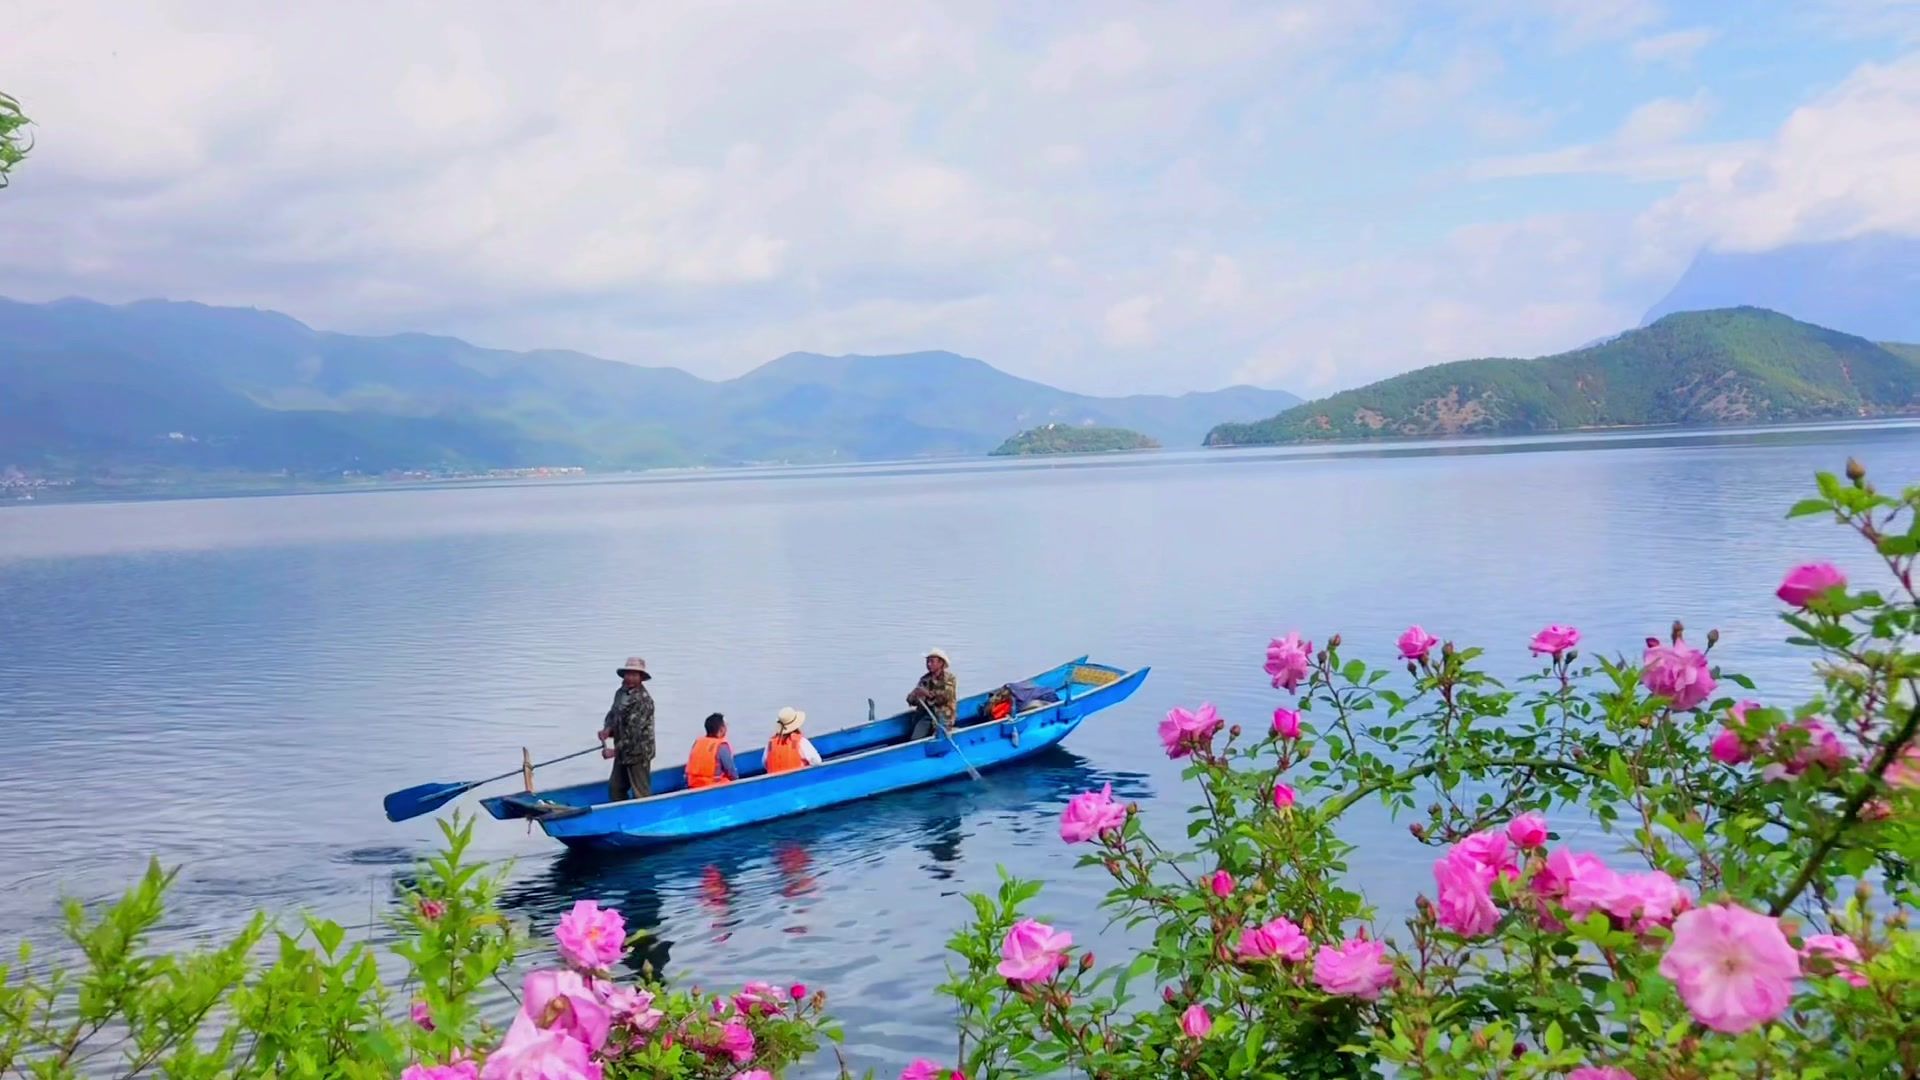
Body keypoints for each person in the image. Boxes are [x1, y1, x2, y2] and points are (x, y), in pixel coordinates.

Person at [599, 656, 655, 801]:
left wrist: (614, 752)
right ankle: (619, 817)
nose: (630, 678)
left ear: (641, 677)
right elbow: (612, 714)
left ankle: (644, 817)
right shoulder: (620, 693)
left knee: (640, 793)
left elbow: (634, 733)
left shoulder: (643, 700)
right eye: (628, 674)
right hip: (622, 751)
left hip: (638, 752)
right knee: (615, 788)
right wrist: (607, 730)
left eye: (634, 674)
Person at [906, 648, 958, 740]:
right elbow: (911, 700)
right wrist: (914, 695)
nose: (929, 664)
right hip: (926, 715)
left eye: (932, 661)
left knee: (940, 737)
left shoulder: (949, 679)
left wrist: (927, 694)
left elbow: (944, 697)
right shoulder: (924, 679)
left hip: (943, 715)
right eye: (927, 662)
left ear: (941, 663)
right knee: (915, 739)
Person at [686, 712, 738, 789]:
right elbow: (731, 772)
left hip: (693, 785)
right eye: (725, 726)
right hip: (711, 786)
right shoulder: (721, 746)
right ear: (721, 729)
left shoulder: (698, 743)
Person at [765, 706, 822, 775]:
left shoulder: (770, 744)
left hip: (774, 782)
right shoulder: (801, 741)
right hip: (799, 780)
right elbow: (817, 761)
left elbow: (765, 763)